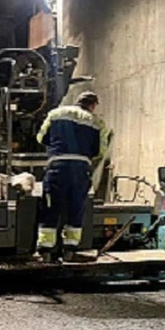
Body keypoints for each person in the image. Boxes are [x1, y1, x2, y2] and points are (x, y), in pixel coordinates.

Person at [35, 91, 109, 262]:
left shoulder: (55, 114)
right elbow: (100, 151)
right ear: (92, 105)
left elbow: (41, 138)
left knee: (51, 207)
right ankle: (69, 249)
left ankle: (45, 251)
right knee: (76, 208)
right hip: (80, 169)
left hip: (57, 167)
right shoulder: (97, 123)